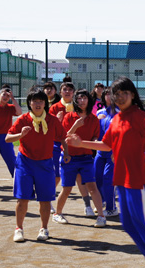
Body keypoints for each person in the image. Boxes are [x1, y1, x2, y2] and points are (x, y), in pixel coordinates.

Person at [66, 76, 145, 268]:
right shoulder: (118, 118)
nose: (119, 97)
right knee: (128, 223)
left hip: (138, 179)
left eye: (124, 93)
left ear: (133, 95)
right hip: (122, 180)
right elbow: (106, 144)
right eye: (116, 94)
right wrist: (81, 143)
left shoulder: (138, 115)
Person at [6, 87, 70, 242]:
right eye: (35, 101)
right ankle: (19, 229)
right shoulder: (23, 119)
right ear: (29, 103)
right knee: (22, 198)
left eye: (41, 101)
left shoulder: (52, 120)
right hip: (25, 162)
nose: (38, 104)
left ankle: (44, 228)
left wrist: (66, 152)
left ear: (44, 104)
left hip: (45, 164)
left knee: (45, 199)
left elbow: (62, 137)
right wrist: (20, 135)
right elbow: (8, 138)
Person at [53, 89, 107, 228]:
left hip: (86, 158)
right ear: (75, 101)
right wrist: (75, 126)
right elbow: (63, 138)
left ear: (89, 100)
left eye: (84, 98)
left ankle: (101, 216)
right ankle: (57, 214)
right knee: (67, 188)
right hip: (69, 157)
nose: (82, 101)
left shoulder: (94, 119)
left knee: (92, 187)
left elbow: (95, 137)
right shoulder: (69, 117)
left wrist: (94, 142)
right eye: (79, 98)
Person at [49, 79, 93, 216]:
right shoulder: (55, 108)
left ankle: (87, 206)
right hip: (58, 145)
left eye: (70, 90)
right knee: (57, 177)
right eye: (65, 89)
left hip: (77, 146)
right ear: (60, 92)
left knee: (81, 179)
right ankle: (48, 200)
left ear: (73, 93)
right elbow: (50, 128)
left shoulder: (79, 106)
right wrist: (57, 120)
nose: (67, 92)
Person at [95, 87, 119, 217]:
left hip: (113, 154)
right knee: (97, 179)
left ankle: (111, 208)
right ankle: (102, 202)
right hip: (100, 152)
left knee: (107, 179)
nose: (109, 96)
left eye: (112, 94)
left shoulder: (120, 114)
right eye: (107, 94)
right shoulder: (100, 112)